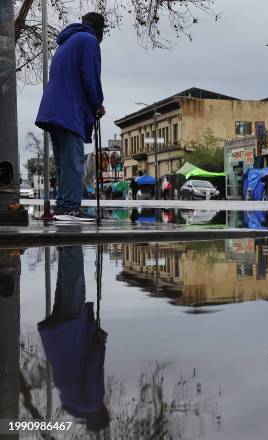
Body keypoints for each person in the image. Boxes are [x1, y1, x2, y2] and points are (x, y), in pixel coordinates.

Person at [35, 12, 106, 219]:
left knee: (63, 161)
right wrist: (97, 104)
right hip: (69, 108)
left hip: (52, 108)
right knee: (74, 161)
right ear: (100, 30)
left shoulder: (66, 42)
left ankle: (63, 205)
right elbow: (90, 76)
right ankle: (71, 207)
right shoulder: (89, 40)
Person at [38, 246, 109, 432]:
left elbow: (93, 367)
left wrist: (99, 342)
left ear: (103, 412)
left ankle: (71, 238)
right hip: (59, 335)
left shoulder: (93, 402)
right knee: (64, 282)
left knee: (74, 279)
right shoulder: (71, 404)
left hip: (73, 331)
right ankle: (65, 245)